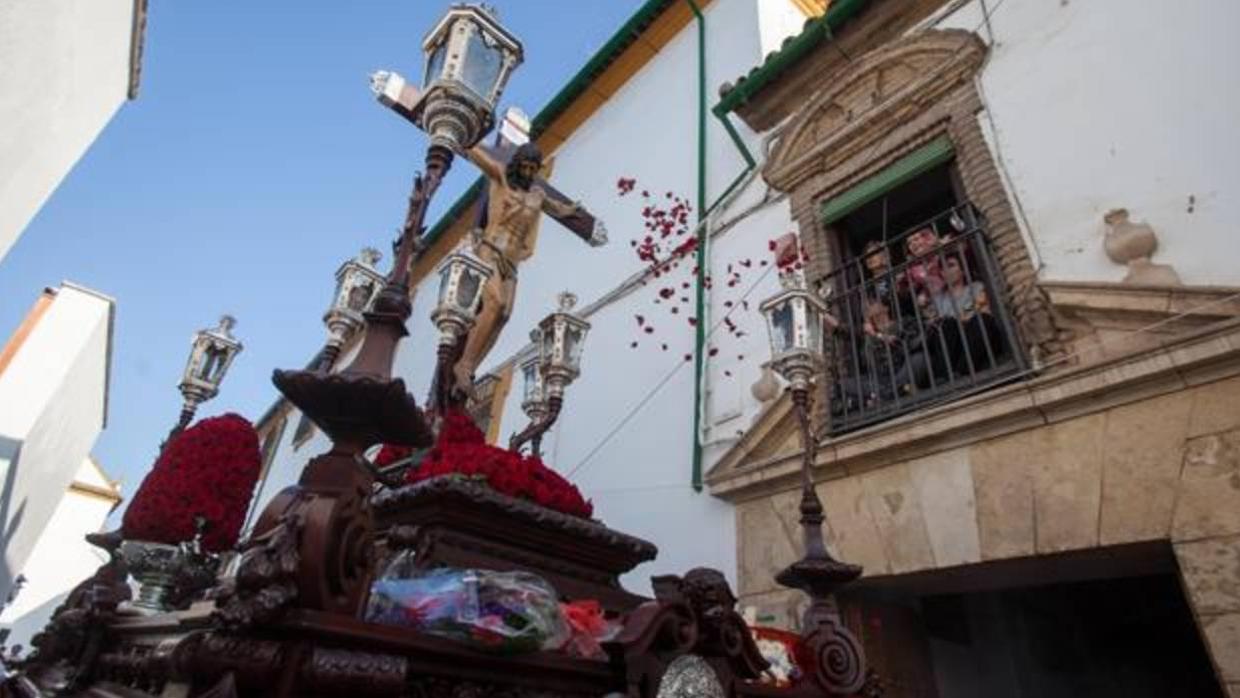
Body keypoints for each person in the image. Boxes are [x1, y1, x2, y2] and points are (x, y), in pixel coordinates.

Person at [932, 254, 1005, 374]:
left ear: (963, 270)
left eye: (951, 266)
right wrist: (961, 318)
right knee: (948, 325)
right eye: (942, 268)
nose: (946, 271)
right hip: (954, 344)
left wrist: (957, 319)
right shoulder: (938, 299)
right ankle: (944, 376)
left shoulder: (977, 287)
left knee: (981, 320)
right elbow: (936, 324)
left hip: (977, 338)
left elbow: (984, 311)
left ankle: (963, 372)